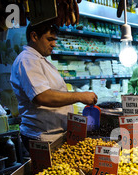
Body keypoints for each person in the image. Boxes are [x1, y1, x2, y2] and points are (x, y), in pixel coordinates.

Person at [10, 21, 98, 150]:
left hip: (52, 135)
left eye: (55, 40)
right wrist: (79, 96)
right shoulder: (27, 60)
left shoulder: (39, 59)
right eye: (49, 39)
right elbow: (42, 96)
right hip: (41, 137)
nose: (54, 44)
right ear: (34, 37)